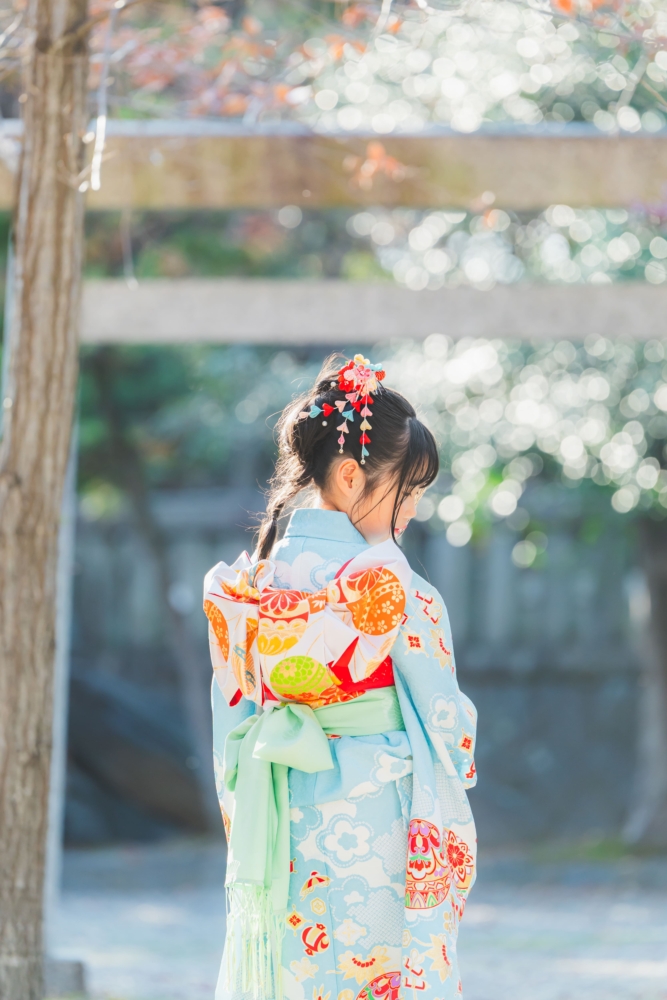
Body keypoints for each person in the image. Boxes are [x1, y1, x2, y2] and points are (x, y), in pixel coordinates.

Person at [204, 354, 477, 1000]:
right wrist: (459, 749)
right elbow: (443, 714)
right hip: (374, 808)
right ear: (352, 476)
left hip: (284, 805)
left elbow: (234, 707)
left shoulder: (247, 584)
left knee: (301, 968)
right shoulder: (390, 584)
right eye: (405, 492)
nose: (410, 512)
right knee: (375, 967)